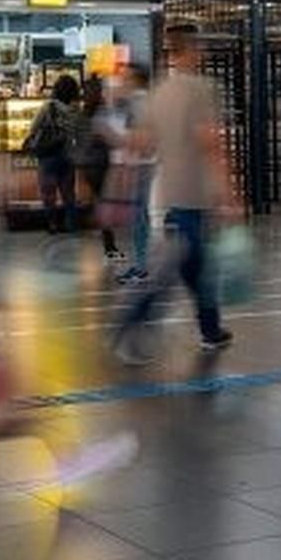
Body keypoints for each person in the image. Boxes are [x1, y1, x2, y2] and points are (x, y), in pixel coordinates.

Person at [112, 26, 237, 363]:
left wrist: (124, 180)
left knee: (196, 268)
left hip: (166, 196)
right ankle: (129, 323)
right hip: (193, 196)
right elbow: (211, 143)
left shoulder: (158, 91)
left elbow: (139, 143)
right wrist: (229, 193)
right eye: (199, 48)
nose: (202, 54)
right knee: (174, 270)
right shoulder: (201, 89)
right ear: (190, 50)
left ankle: (211, 330)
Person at [113, 64, 155, 286]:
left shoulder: (135, 103)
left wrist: (126, 168)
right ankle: (141, 263)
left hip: (139, 165)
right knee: (141, 215)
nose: (122, 81)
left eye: (126, 78)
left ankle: (141, 267)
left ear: (135, 80)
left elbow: (134, 139)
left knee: (138, 216)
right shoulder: (150, 101)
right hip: (148, 163)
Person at [25, 75, 81, 235]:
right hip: (67, 155)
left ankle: (52, 224)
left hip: (48, 155)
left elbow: (34, 127)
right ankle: (72, 225)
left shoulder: (48, 107)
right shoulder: (75, 108)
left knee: (48, 193)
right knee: (68, 194)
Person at [78, 77, 122, 259]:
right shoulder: (102, 113)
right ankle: (109, 246)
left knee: (101, 202)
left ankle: (108, 243)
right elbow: (113, 138)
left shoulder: (83, 114)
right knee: (105, 204)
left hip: (89, 165)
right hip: (102, 164)